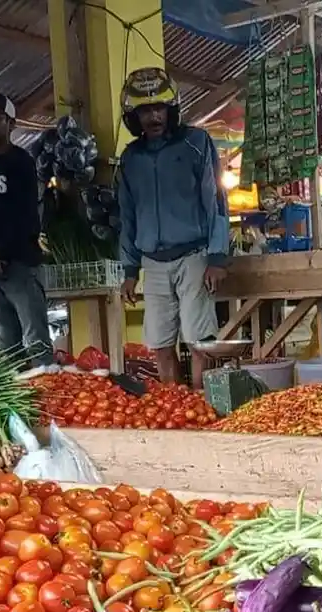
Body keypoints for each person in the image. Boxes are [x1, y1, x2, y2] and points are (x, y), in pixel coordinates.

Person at [117, 67, 230, 390]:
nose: (154, 116)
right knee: (160, 342)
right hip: (152, 262)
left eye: (159, 108)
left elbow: (216, 201)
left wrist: (218, 257)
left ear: (171, 109)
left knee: (199, 340)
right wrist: (129, 269)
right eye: (145, 110)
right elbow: (128, 215)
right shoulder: (130, 158)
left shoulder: (197, 143)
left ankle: (199, 402)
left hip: (194, 256)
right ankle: (172, 406)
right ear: (133, 116)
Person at [0, 92, 54, 368]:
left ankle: (47, 399)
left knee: (35, 339)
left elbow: (27, 216)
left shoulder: (22, 162)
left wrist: (2, 254)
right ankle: (16, 402)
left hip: (20, 266)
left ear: (10, 123)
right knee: (6, 346)